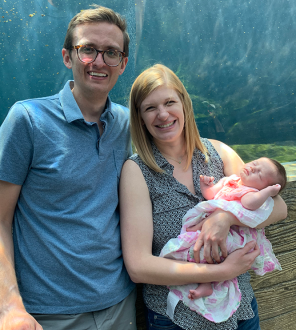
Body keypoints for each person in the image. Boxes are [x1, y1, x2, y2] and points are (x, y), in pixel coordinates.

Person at [0, 6, 136, 330]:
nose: (98, 61)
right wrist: (10, 307)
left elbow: (178, 140)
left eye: (111, 52)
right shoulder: (26, 119)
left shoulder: (125, 122)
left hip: (122, 303)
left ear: (122, 64)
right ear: (67, 56)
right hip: (50, 315)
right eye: (88, 49)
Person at [119, 64, 287, 330]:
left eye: (169, 102)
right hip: (176, 319)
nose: (163, 114)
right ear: (139, 117)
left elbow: (279, 207)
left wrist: (224, 218)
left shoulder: (219, 152)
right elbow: (139, 266)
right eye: (150, 108)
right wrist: (222, 272)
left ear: (184, 104)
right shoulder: (136, 171)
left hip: (240, 312)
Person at [160, 157, 286, 323]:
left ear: (263, 187)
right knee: (205, 248)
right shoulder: (231, 180)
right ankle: (205, 282)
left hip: (232, 234)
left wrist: (267, 193)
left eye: (260, 175)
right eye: (255, 164)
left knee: (215, 252)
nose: (253, 168)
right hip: (214, 228)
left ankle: (207, 284)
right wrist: (207, 185)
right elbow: (212, 194)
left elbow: (250, 204)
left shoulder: (251, 192)